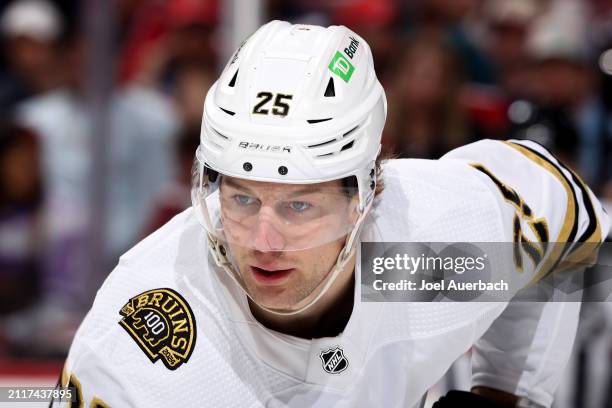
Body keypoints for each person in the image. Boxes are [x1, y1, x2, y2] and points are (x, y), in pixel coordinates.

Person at [53, 21, 609, 408]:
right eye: (241, 198)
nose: (263, 240)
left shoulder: (425, 255)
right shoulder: (139, 350)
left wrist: (505, 394)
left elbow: (565, 220)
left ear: (367, 193)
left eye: (300, 204)